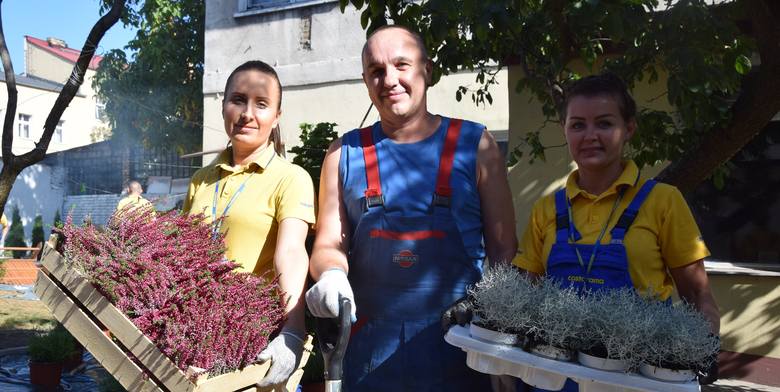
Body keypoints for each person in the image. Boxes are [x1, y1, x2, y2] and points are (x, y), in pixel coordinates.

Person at [305, 25, 517, 391]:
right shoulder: (342, 154)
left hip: (462, 356)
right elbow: (329, 243)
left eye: (402, 65)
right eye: (376, 71)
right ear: (365, 81)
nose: (389, 79)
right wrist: (330, 276)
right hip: (368, 359)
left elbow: (503, 250)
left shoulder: (476, 146)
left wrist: (501, 342)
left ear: (427, 70)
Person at [513, 73, 720, 389]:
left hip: (637, 378)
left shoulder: (663, 201)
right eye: (578, 125)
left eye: (605, 124)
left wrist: (704, 351)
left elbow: (696, 293)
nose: (590, 135)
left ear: (629, 129)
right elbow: (521, 294)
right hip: (555, 376)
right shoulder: (547, 209)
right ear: (565, 131)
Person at [182, 61, 315, 389]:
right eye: (238, 100)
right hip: (195, 346)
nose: (247, 113)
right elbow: (182, 257)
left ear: (277, 116)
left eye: (262, 104)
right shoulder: (200, 181)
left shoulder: (291, 178)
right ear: (224, 105)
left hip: (254, 346)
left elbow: (292, 252)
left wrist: (293, 331)